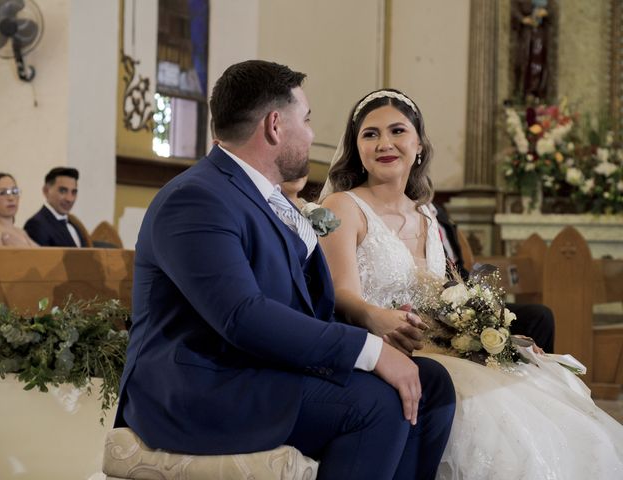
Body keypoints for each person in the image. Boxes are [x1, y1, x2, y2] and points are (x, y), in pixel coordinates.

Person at [114, 61, 455, 480]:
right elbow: (243, 316)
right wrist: (368, 352)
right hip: (202, 388)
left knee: (431, 384)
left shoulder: (263, 197)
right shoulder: (196, 198)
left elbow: (303, 305)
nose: (312, 134)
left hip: (258, 368)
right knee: (374, 404)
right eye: (306, 119)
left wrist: (375, 331)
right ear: (276, 125)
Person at [319, 88, 623, 479]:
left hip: (436, 348)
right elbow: (340, 294)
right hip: (384, 352)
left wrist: (494, 337)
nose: (384, 144)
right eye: (370, 134)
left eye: (397, 131)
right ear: (356, 147)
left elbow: (445, 301)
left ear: (419, 145)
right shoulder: (344, 206)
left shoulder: (426, 215)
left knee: (538, 393)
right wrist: (376, 316)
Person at [432, 201, 555, 352]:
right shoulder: (419, 219)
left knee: (540, 316)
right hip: (442, 300)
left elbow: (459, 267)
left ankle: (537, 371)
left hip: (466, 294)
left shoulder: (439, 213)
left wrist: (478, 297)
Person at [24, 167, 87, 247]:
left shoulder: (73, 224)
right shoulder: (36, 225)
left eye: (73, 192)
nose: (69, 198)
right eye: (63, 191)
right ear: (46, 191)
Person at [0, 173, 38, 247]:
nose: (11, 198)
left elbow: (45, 256)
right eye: (2, 193)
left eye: (15, 191)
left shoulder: (21, 232)